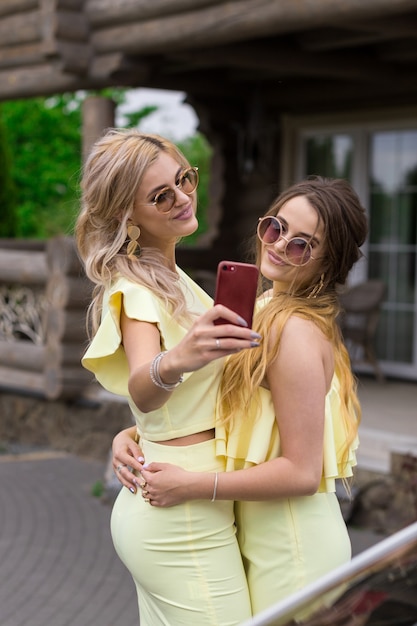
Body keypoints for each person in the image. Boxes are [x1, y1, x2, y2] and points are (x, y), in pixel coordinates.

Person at [113, 176, 368, 621]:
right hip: (263, 536)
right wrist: (134, 432)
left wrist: (194, 485)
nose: (279, 245)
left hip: (294, 546)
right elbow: (226, 401)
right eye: (276, 227)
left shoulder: (296, 333)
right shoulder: (265, 307)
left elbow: (303, 472)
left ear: (328, 263)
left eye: (301, 244)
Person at [75, 128, 260, 626]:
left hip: (188, 499)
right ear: (126, 215)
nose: (182, 198)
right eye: (161, 195)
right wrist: (179, 359)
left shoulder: (176, 281)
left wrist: (135, 432)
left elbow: (167, 407)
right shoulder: (137, 289)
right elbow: (144, 385)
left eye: (185, 179)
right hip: (180, 522)